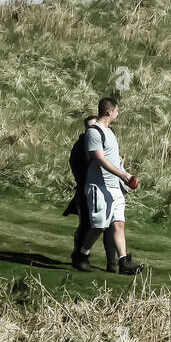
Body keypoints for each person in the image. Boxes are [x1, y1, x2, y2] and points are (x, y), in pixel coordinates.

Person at [72, 97, 144, 274]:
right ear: (109, 111)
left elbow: (114, 159)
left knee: (118, 224)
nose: (118, 114)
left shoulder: (110, 132)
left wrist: (126, 177)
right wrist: (122, 174)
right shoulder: (94, 133)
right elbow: (99, 158)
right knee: (99, 226)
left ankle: (123, 261)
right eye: (117, 111)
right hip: (98, 186)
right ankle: (82, 255)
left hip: (114, 187)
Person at [63, 115, 119, 271]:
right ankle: (79, 257)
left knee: (111, 225)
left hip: (107, 188)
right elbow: (79, 171)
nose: (91, 131)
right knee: (88, 224)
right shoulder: (80, 147)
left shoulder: (108, 140)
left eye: (94, 127)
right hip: (87, 189)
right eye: (89, 128)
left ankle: (112, 262)